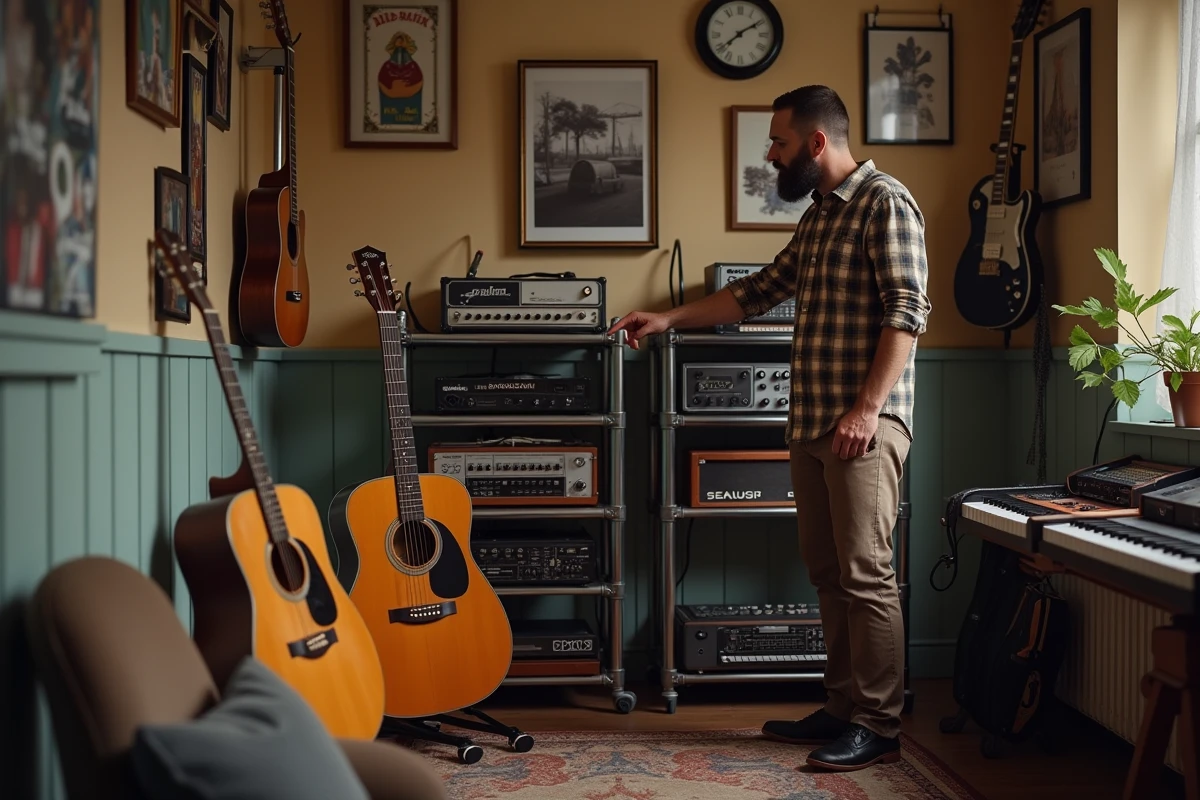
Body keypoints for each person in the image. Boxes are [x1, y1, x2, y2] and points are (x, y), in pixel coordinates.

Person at [608, 85, 931, 772]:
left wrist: (867, 411)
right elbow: (756, 291)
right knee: (829, 572)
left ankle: (878, 723)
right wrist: (665, 318)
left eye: (779, 142)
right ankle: (842, 707)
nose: (771, 154)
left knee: (867, 576)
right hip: (815, 426)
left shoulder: (887, 203)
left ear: (817, 143)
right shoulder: (819, 217)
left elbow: (906, 313)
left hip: (862, 428)